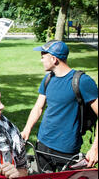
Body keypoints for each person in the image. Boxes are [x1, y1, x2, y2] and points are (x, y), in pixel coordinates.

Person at [21, 40, 98, 171]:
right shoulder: (47, 79)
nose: (41, 60)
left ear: (53, 59)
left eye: (43, 56)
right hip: (43, 144)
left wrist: (95, 148)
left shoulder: (82, 81)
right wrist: (27, 129)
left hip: (67, 149)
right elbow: (38, 107)